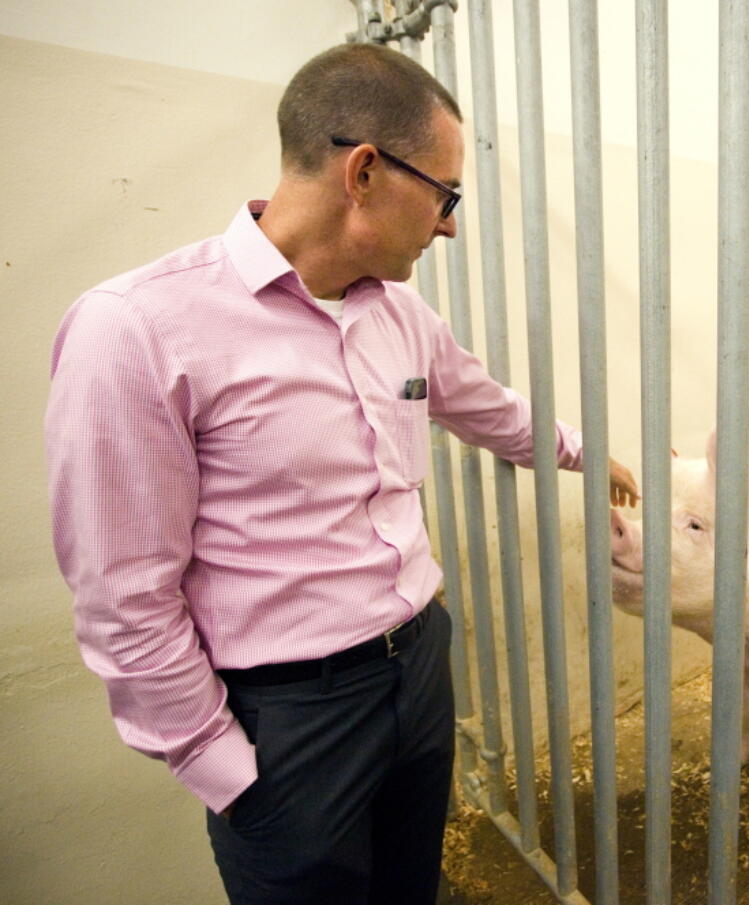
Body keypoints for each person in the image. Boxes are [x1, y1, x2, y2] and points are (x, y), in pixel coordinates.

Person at [45, 42, 638, 905]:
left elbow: (481, 405)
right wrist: (220, 762)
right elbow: (122, 591)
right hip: (289, 720)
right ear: (365, 171)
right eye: (446, 194)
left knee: (410, 887)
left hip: (417, 669)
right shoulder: (137, 329)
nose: (450, 225)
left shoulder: (400, 314)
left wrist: (581, 451)